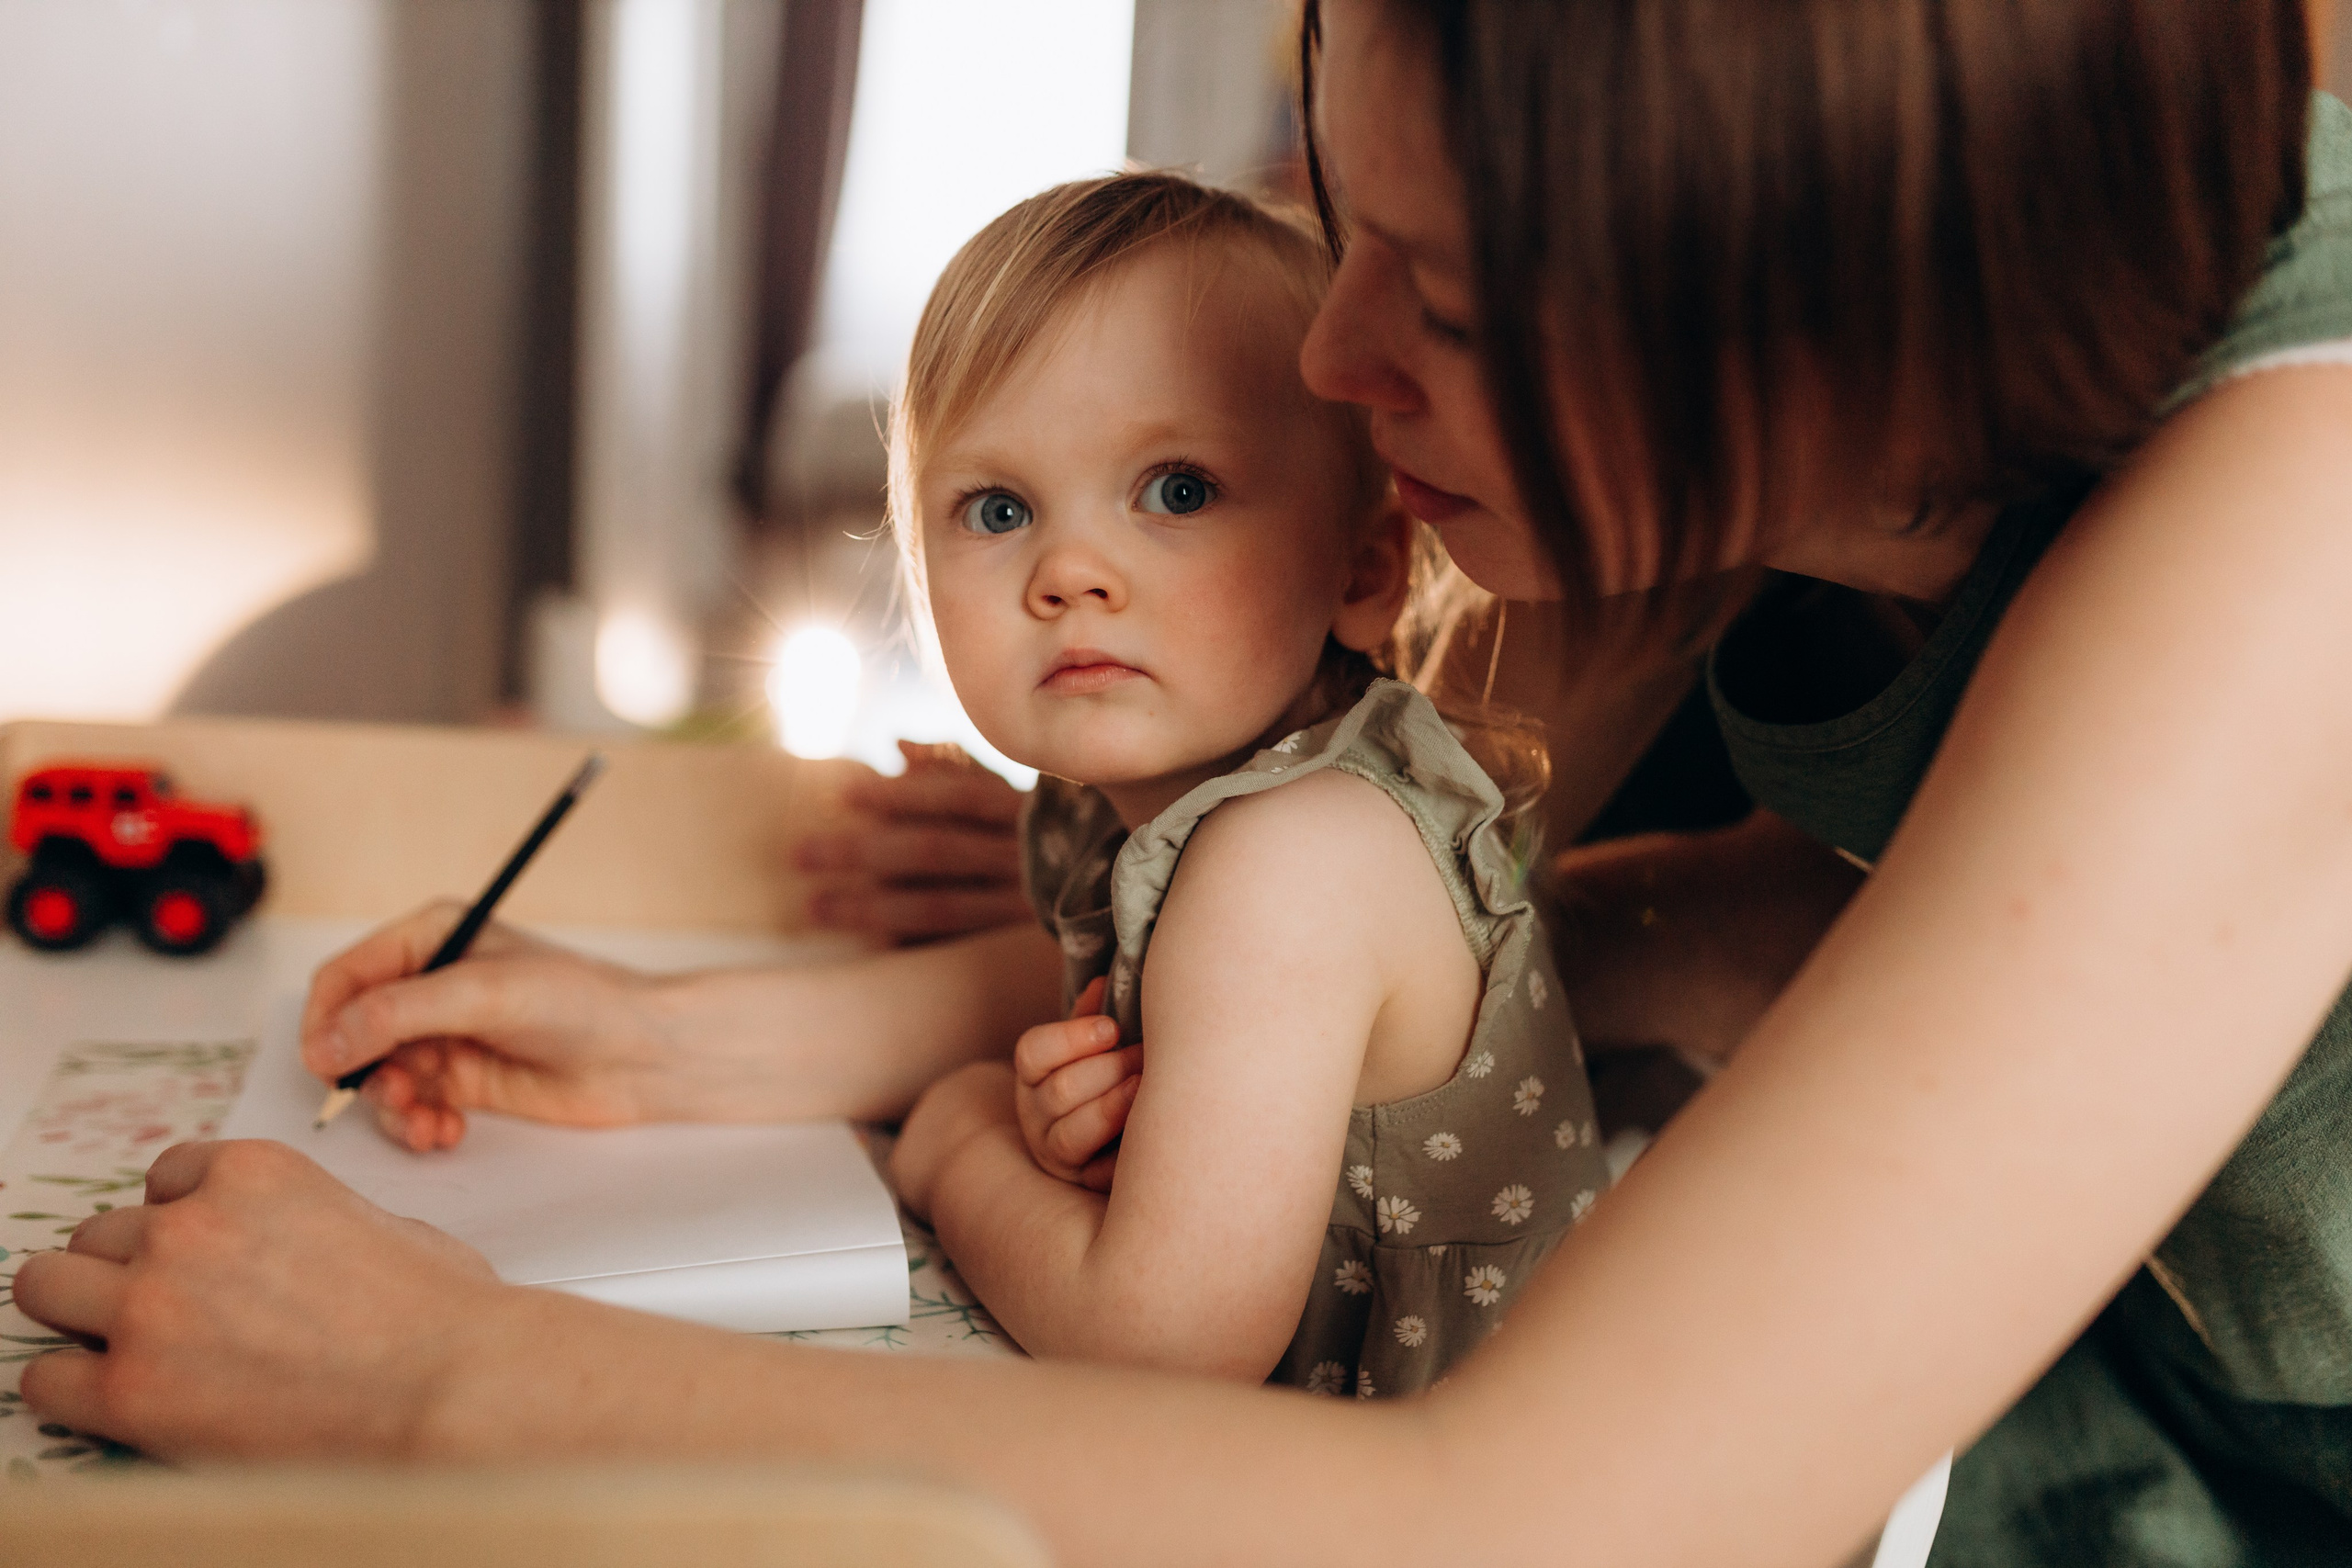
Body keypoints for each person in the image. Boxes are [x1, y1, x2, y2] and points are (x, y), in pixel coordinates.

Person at [17, 2, 2352, 1562]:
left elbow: (1541, 1521)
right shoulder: (1804, 436)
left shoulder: (2297, 523)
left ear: (1790, 306)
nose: (1334, 363)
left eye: (1433, 303)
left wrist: (451, 1376)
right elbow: (1759, 905)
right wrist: (696, 1023)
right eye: (1349, 234)